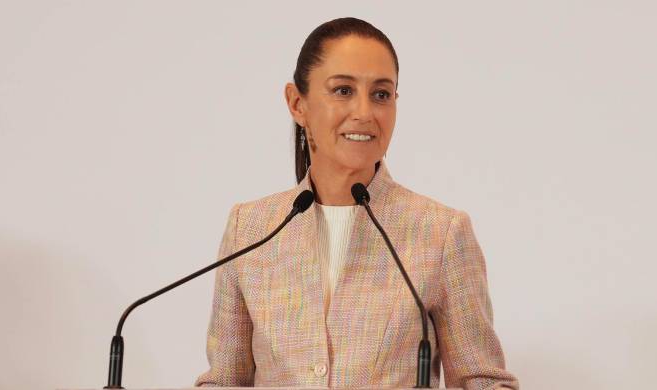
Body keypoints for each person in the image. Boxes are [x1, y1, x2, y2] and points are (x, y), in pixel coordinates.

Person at [195, 17, 519, 389]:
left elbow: (483, 381)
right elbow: (223, 380)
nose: (364, 112)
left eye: (381, 94)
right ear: (297, 103)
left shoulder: (441, 232)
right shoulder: (249, 229)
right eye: (343, 90)